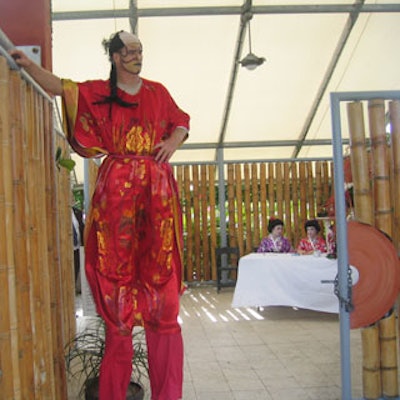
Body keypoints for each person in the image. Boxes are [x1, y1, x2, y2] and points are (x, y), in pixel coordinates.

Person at [10, 30, 190, 400]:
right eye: (131, 50)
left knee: (163, 296)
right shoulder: (97, 91)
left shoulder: (158, 91)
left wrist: (174, 140)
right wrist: (28, 64)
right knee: (116, 289)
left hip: (157, 194)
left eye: (141, 49)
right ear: (115, 56)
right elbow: (62, 87)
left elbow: (182, 121)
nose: (138, 55)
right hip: (117, 193)